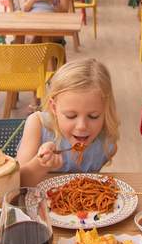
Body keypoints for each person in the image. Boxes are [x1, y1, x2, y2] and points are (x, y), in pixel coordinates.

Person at [14, 58, 119, 187]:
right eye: (71, 116)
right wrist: (40, 165)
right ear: (54, 108)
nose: (82, 126)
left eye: (93, 116)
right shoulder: (37, 124)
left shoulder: (106, 144)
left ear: (105, 111)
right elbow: (16, 183)